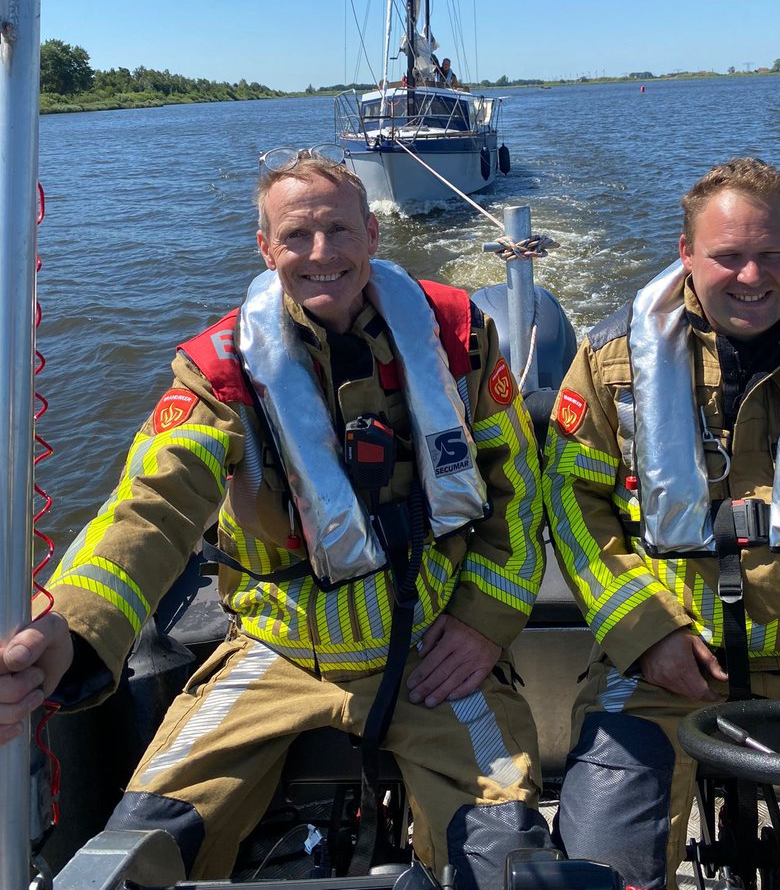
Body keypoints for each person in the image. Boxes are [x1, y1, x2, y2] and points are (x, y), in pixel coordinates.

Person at [0, 148, 552, 888]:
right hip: (276, 651)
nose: (321, 253)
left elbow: (519, 493)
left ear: (373, 236)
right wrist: (71, 629)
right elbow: (151, 507)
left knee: (505, 859)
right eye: (296, 236)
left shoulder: (460, 339)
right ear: (264, 248)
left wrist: (483, 624)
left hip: (434, 652)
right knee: (138, 849)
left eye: (339, 231)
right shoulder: (220, 371)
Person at [543, 156, 780, 889]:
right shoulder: (610, 366)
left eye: (772, 255)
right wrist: (646, 635)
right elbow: (571, 509)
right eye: (727, 256)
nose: (751, 277)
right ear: (686, 254)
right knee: (597, 869)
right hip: (661, 669)